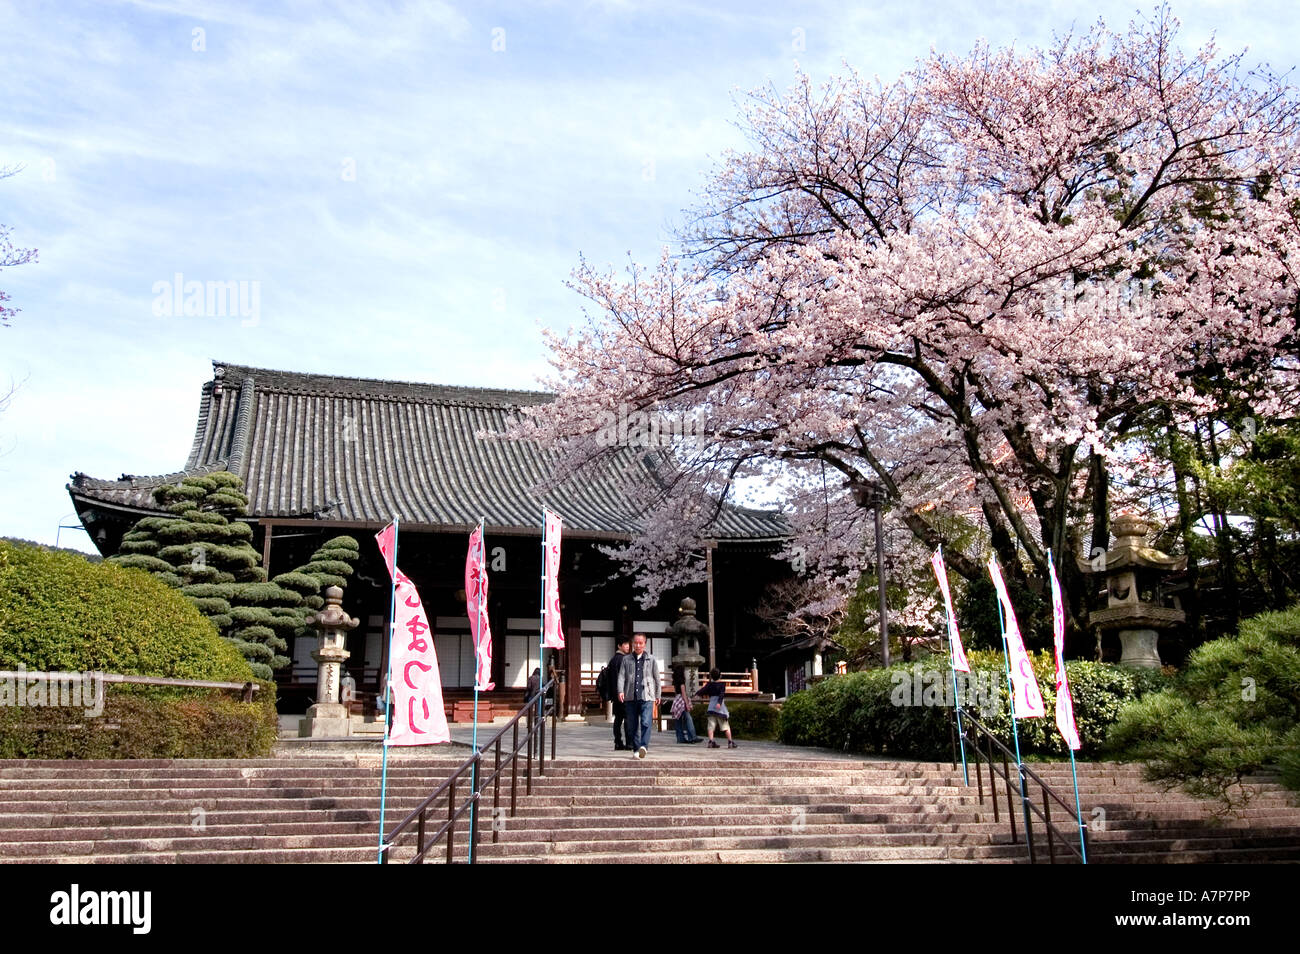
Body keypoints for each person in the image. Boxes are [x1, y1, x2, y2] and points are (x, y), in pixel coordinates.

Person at [618, 633, 661, 759]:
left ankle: (644, 746)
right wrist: (620, 690)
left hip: (647, 696)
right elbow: (621, 676)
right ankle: (636, 749)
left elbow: (657, 678)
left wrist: (658, 694)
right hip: (630, 696)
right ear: (632, 644)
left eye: (640, 643)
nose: (638, 645)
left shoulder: (651, 659)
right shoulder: (626, 659)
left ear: (645, 644)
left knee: (646, 722)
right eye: (635, 643)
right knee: (632, 725)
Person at [696, 667, 737, 749]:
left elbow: (702, 690)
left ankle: (711, 741)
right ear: (720, 676)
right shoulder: (722, 685)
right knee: (725, 726)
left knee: (711, 726)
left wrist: (697, 694)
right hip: (720, 708)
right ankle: (730, 742)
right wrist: (719, 702)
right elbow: (722, 694)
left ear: (711, 676)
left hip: (711, 707)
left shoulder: (709, 685)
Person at [606, 636, 633, 751]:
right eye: (625, 644)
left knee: (618, 719)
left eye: (628, 644)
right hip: (624, 693)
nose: (627, 646)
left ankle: (618, 742)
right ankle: (629, 743)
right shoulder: (624, 659)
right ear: (619, 646)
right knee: (627, 718)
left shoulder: (613, 660)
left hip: (615, 694)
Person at [671, 663, 700, 744]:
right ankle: (692, 737)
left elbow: (675, 692)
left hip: (676, 700)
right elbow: (683, 693)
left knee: (678, 720)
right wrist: (687, 704)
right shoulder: (681, 681)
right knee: (688, 718)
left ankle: (680, 738)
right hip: (681, 700)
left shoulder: (675, 681)